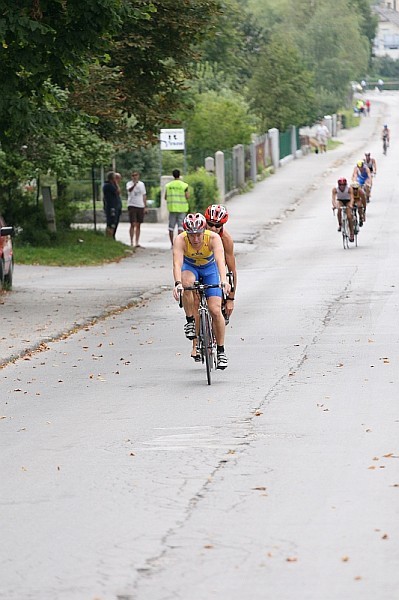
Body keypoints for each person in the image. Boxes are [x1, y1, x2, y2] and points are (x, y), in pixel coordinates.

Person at [172, 212, 230, 370]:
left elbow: (220, 260)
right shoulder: (180, 240)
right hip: (190, 268)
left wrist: (223, 280)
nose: (196, 239)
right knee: (186, 283)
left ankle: (221, 351)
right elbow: (177, 264)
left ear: (204, 231)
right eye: (192, 235)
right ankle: (190, 321)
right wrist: (177, 284)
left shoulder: (213, 238)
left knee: (215, 310)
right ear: (186, 233)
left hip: (210, 270)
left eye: (199, 235)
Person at [165, 169, 190, 247]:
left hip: (172, 209)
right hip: (182, 209)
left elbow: (165, 197)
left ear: (173, 175)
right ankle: (179, 244)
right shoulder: (184, 185)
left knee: (171, 227)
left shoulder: (168, 186)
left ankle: (172, 244)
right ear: (179, 175)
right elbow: (187, 196)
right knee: (181, 227)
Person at [126, 170, 147, 248]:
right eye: (133, 175)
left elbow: (144, 195)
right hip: (132, 205)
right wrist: (134, 184)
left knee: (138, 224)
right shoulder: (129, 183)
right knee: (132, 223)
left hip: (140, 205)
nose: (135, 177)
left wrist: (145, 206)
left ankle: (137, 242)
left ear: (138, 176)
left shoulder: (142, 184)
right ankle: (131, 241)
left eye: (136, 175)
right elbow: (129, 190)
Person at [332, 177, 355, 242]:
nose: (342, 187)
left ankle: (351, 233)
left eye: (343, 185)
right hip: (340, 201)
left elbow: (352, 198)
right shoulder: (335, 189)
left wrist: (350, 204)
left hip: (348, 201)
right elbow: (333, 199)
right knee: (339, 210)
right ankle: (340, 224)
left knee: (349, 216)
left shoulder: (349, 188)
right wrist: (334, 205)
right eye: (340, 185)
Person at [102, 171, 120, 238]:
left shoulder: (109, 185)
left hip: (113, 206)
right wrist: (116, 183)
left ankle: (111, 236)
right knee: (111, 223)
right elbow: (118, 191)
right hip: (111, 206)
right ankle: (109, 236)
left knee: (113, 222)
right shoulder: (108, 185)